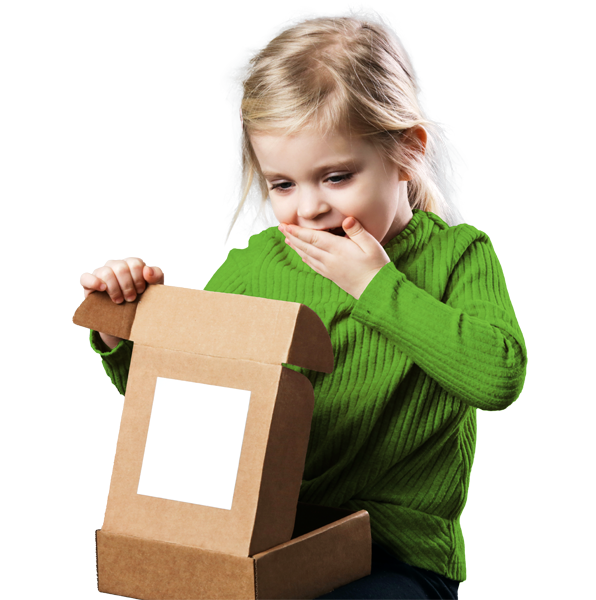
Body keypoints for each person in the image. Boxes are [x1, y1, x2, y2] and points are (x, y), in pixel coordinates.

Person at [79, 13, 527, 600]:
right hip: (263, 542)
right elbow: (194, 411)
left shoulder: (458, 257)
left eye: (337, 177)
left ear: (406, 152)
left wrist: (375, 286)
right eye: (283, 185)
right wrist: (125, 334)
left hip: (394, 555)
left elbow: (497, 377)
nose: (308, 208)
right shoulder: (253, 266)